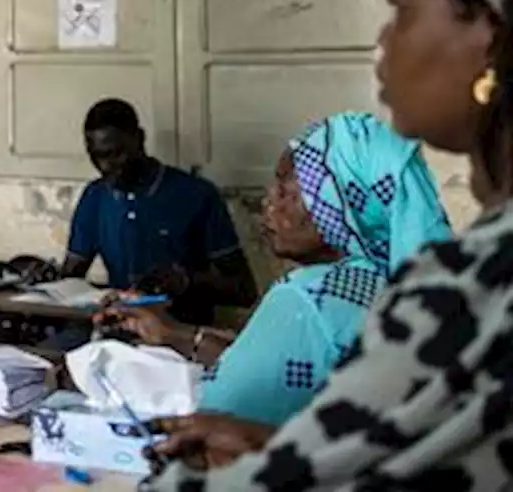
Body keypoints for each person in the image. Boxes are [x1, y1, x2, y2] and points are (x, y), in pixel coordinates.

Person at [141, 0, 513, 490]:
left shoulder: (477, 286)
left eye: (401, 9)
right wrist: (280, 445)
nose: (384, 44)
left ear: (488, 32)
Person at [107, 112, 451, 427]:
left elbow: (222, 416)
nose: (268, 201)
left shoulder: (308, 297)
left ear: (335, 202)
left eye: (286, 188)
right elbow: (278, 364)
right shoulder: (392, 285)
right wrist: (174, 334)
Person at [61, 98, 257, 327]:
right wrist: (44, 280)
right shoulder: (95, 197)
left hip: (180, 336)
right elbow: (70, 279)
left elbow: (244, 291)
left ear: (140, 139)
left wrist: (187, 281)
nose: (105, 166)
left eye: (116, 154)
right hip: (118, 331)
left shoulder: (197, 195)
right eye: (96, 156)